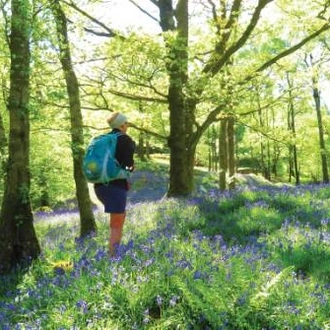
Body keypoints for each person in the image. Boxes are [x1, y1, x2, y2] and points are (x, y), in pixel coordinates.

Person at [94, 112, 135, 256]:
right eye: (127, 123)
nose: (128, 125)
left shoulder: (101, 139)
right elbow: (128, 164)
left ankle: (113, 253)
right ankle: (113, 259)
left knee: (118, 219)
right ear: (122, 125)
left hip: (99, 185)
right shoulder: (126, 140)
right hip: (116, 186)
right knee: (116, 225)